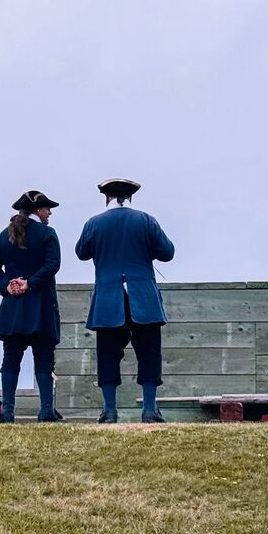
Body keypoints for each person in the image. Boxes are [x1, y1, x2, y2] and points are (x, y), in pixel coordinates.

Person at [75, 178, 175, 423]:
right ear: (130, 197)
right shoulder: (146, 220)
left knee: (108, 356)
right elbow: (167, 252)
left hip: (108, 299)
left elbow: (81, 253)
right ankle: (149, 410)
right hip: (143, 298)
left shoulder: (94, 223)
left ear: (106, 197)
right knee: (149, 354)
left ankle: (110, 410)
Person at [0, 190, 64, 423]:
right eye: (47, 208)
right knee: (44, 358)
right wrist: (30, 283)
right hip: (41, 305)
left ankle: (7, 411)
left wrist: (7, 286)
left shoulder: (3, 236)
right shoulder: (47, 234)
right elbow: (53, 265)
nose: (50, 212)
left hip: (14, 307)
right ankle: (46, 411)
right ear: (38, 210)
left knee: (10, 359)